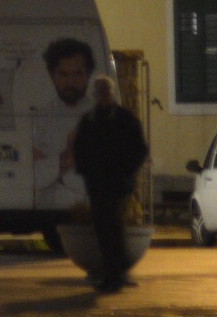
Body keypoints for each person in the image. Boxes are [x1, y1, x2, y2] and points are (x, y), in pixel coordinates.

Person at [70, 74, 148, 295]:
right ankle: (114, 272)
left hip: (115, 184)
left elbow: (139, 149)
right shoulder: (90, 120)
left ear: (111, 94)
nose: (104, 97)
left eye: (107, 93)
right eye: (100, 93)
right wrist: (86, 172)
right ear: (95, 95)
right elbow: (80, 149)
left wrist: (126, 171)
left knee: (111, 228)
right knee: (105, 230)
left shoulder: (125, 119)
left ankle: (114, 274)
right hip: (97, 184)